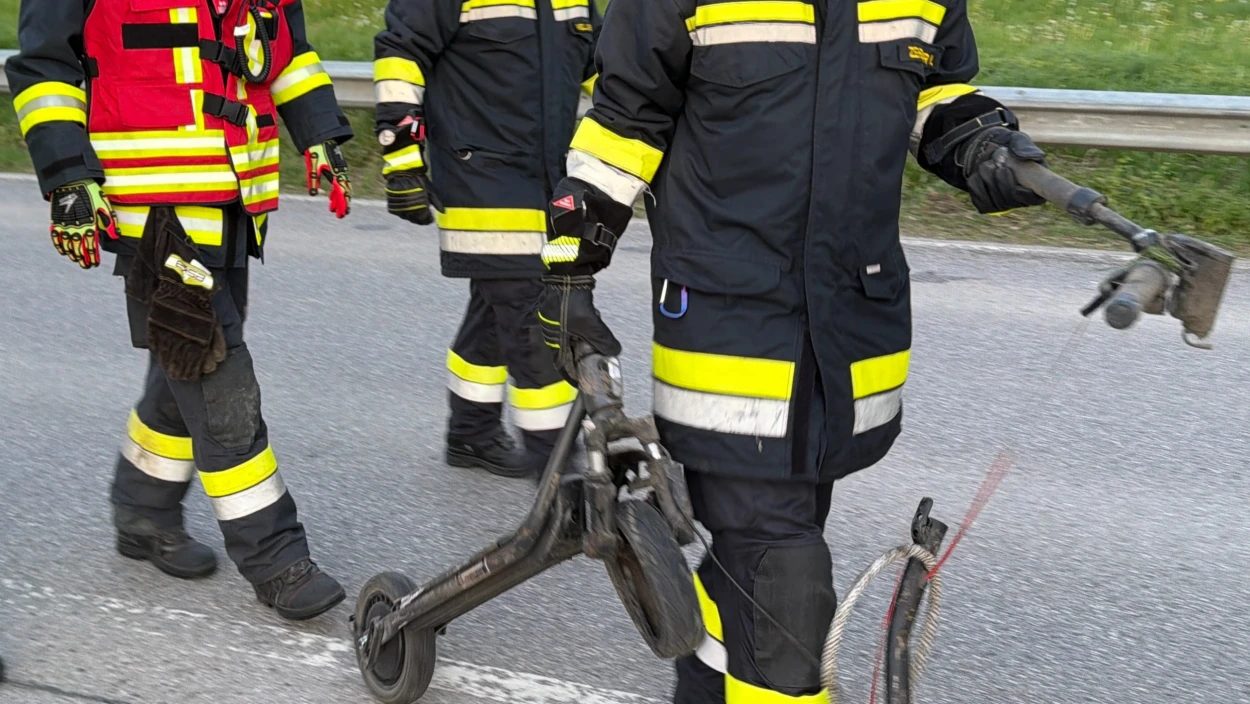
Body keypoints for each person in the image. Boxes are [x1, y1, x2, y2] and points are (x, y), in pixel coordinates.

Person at [535, 0, 1048, 701]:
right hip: (727, 324)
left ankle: (708, 684)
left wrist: (981, 143)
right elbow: (624, 124)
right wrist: (570, 271)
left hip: (846, 330)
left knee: (759, 560)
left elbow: (935, 89)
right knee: (785, 589)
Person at [7, 0, 356, 621]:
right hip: (152, 211)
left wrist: (323, 134)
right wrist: (66, 179)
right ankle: (275, 557)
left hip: (232, 204)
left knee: (186, 366)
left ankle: (143, 505)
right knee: (218, 379)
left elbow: (287, 56)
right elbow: (44, 68)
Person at [372, 0, 599, 479]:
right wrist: (401, 159)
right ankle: (561, 469)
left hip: (549, 178)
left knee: (496, 305)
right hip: (482, 178)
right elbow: (399, 53)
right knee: (531, 315)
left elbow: (604, 68)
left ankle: (471, 434)